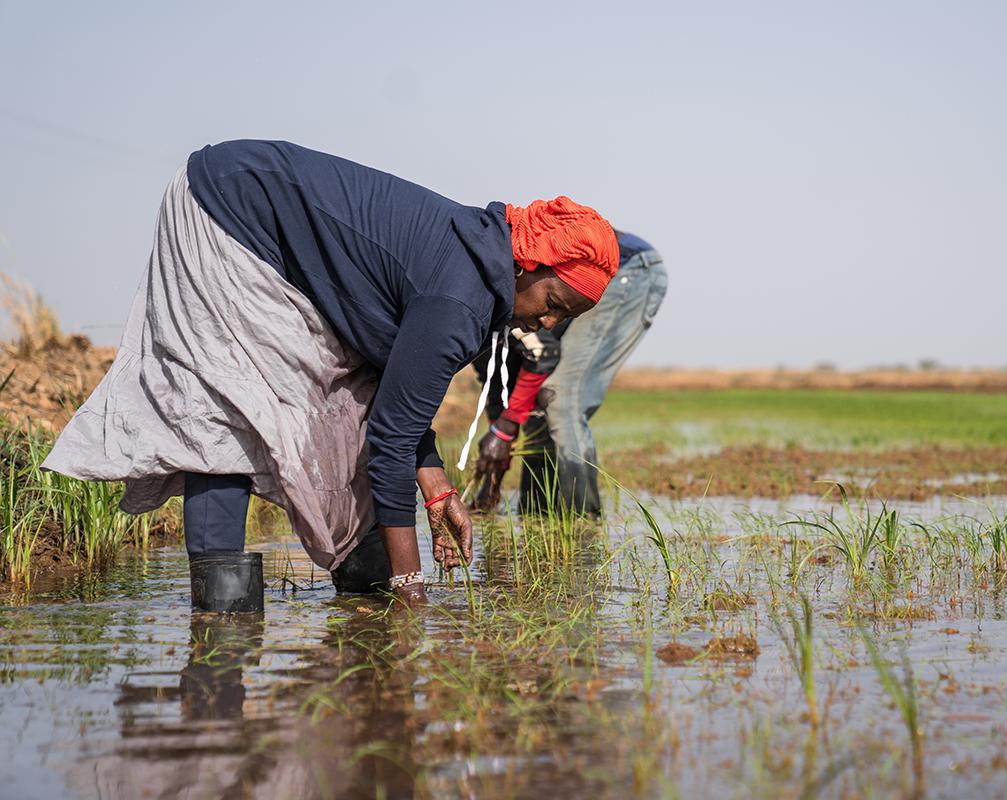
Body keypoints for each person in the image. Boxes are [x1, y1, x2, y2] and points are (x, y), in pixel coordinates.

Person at [43, 140, 619, 610]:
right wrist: (411, 591)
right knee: (236, 407)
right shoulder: (459, 302)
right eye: (553, 300)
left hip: (253, 215)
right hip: (230, 210)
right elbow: (390, 443)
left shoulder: (474, 269)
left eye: (563, 316)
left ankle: (343, 584)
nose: (547, 320)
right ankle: (222, 620)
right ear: (531, 261)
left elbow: (398, 405)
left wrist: (438, 490)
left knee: (335, 405)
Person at [470, 230, 666, 516]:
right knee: (536, 403)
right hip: (599, 271)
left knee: (560, 397)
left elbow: (543, 354)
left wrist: (504, 429)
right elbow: (502, 391)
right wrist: (494, 467)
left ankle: (580, 520)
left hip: (627, 270)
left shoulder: (502, 299)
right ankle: (538, 511)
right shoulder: (472, 330)